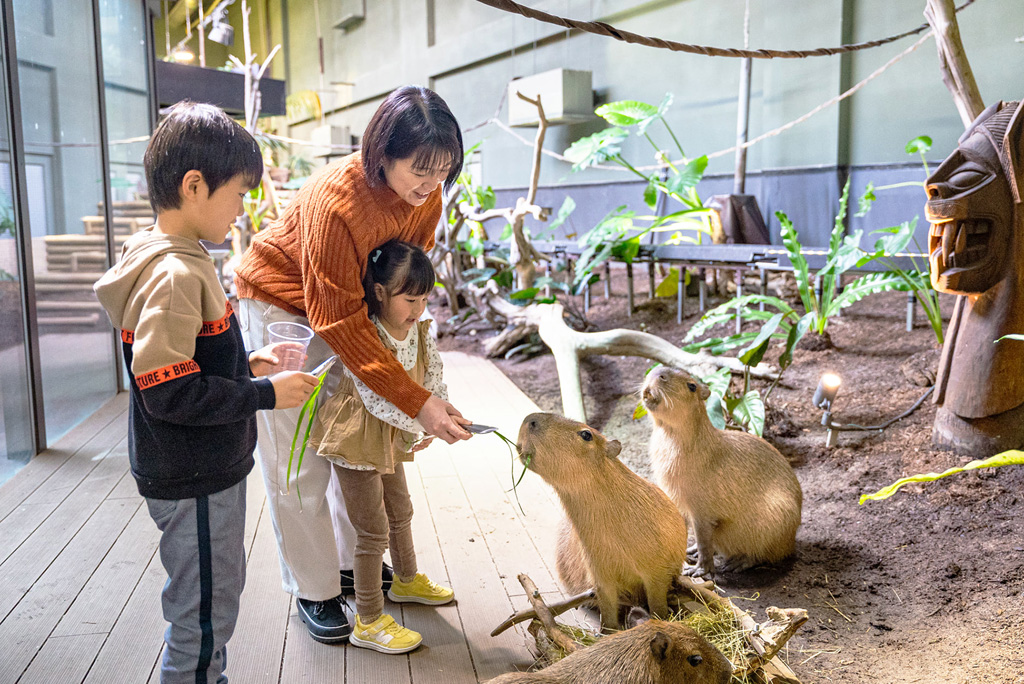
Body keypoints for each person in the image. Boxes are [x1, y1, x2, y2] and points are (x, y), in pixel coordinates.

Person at [234, 85, 472, 644]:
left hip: (349, 308)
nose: (431, 184)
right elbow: (337, 321)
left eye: (443, 171)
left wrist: (413, 389)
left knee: (353, 437)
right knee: (297, 451)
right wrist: (417, 402)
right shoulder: (334, 201)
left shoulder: (425, 198)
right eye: (420, 169)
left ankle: (349, 564)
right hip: (282, 306)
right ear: (381, 152)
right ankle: (314, 590)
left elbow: (393, 288)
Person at [93, 101, 319, 683]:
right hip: (193, 473)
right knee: (202, 618)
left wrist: (247, 364)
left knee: (213, 601)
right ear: (195, 186)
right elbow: (168, 395)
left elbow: (184, 364)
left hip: (197, 468)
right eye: (239, 193)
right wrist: (264, 393)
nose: (242, 208)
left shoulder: (177, 257)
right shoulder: (173, 275)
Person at [308, 239, 454, 654]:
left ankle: (406, 580)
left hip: (390, 435)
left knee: (401, 509)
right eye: (410, 299)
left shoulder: (421, 332)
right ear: (379, 293)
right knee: (371, 530)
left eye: (425, 298)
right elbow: (375, 399)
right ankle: (368, 619)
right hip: (354, 439)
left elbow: (433, 382)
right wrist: (420, 421)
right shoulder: (366, 336)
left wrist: (442, 414)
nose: (418, 309)